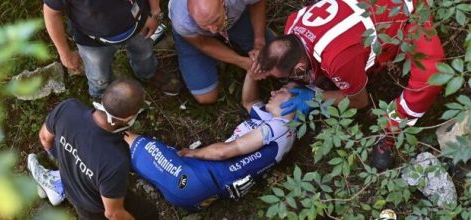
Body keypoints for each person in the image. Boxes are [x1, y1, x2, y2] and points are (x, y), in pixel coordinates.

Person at [251, 0, 445, 170]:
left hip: (407, 16)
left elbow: (360, 101)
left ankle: (391, 130)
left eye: (287, 77)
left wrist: (314, 98)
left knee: (431, 75)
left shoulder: (336, 60)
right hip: (366, 14)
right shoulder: (293, 23)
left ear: (300, 68)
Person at [124, 72, 297, 210]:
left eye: (282, 91)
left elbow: (225, 151)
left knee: (126, 139)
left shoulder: (281, 127)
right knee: (133, 153)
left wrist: (193, 152)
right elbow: (249, 101)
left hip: (197, 179)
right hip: (202, 190)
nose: (274, 92)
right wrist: (252, 71)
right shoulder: (273, 122)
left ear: (296, 103)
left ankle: (100, 122)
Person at [30, 79, 158, 219]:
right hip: (93, 210)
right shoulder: (115, 160)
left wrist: (66, 159)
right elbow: (113, 213)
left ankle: (58, 185)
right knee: (148, 213)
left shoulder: (68, 108)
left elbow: (44, 138)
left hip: (70, 188)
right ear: (128, 118)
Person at [43, 0, 181, 98]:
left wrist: (154, 12)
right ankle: (102, 96)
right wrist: (64, 53)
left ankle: (149, 73)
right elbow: (51, 13)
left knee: (144, 54)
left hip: (139, 24)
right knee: (99, 75)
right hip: (92, 41)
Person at [168, 0, 273, 104]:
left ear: (223, 2)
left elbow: (258, 2)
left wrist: (259, 41)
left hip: (233, 19)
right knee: (206, 97)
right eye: (205, 25)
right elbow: (203, 44)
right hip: (198, 36)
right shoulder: (181, 19)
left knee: (274, 58)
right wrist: (242, 62)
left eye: (215, 20)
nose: (213, 30)